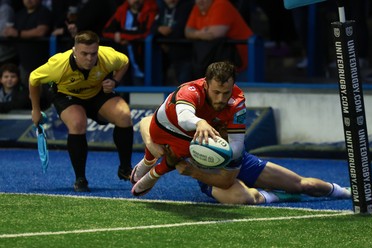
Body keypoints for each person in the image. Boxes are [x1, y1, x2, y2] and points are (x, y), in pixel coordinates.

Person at [137, 115, 354, 204]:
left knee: (302, 184)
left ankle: (342, 191)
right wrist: (150, 143)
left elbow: (226, 179)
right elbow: (147, 120)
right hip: (210, 176)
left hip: (239, 165)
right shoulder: (188, 119)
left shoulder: (233, 127)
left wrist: (193, 172)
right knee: (247, 199)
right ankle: (275, 195)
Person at [29, 30, 133, 192]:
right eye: (84, 54)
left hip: (97, 93)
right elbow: (33, 79)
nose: (90, 59)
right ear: (74, 51)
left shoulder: (107, 56)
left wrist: (115, 81)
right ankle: (80, 179)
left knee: (124, 115)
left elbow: (125, 62)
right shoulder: (58, 64)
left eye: (93, 54)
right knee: (78, 123)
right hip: (68, 96)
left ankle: (125, 169)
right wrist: (35, 110)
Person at [131, 61, 247, 196]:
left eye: (226, 93)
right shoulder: (190, 90)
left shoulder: (238, 101)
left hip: (192, 135)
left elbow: (237, 143)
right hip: (165, 125)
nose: (220, 99)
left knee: (176, 156)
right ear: (205, 84)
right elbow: (184, 118)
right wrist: (200, 122)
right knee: (157, 149)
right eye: (216, 92)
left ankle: (154, 175)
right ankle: (147, 160)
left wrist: (219, 154)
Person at [184, 0, 253, 78]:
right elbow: (187, 32)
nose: (200, 1)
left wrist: (196, 33)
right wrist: (202, 33)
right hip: (214, 61)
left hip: (241, 61)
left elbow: (213, 34)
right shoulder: (198, 7)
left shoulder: (222, 4)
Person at [102, 0, 159, 85]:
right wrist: (117, 36)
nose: (136, 1)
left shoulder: (150, 10)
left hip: (143, 58)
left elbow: (145, 33)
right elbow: (106, 31)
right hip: (124, 58)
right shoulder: (122, 10)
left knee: (141, 87)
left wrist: (121, 36)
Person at [153, 0, 194, 84]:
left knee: (183, 85)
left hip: (184, 54)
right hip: (164, 56)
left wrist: (167, 39)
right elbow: (151, 27)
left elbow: (182, 29)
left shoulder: (187, 6)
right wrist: (158, 29)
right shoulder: (160, 7)